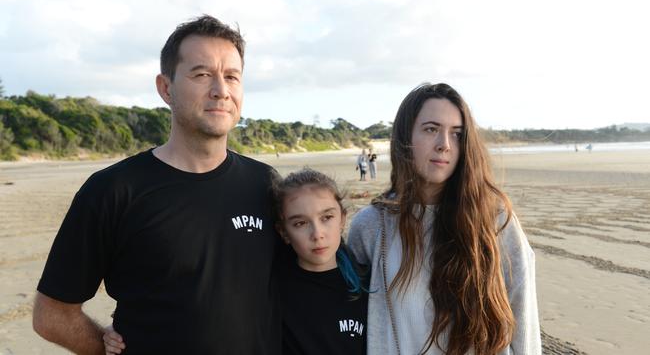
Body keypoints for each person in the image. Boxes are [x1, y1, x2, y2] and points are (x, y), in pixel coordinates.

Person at [32, 15, 281, 354]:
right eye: (202, 74)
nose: (221, 90)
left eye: (232, 77)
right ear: (166, 88)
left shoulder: (266, 184)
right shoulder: (113, 190)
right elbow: (52, 315)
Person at [347, 83, 541, 355]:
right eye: (431, 129)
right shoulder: (372, 225)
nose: (445, 145)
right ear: (405, 137)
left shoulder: (493, 218)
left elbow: (523, 312)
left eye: (457, 134)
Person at [104, 168, 368, 355]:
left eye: (327, 217)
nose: (317, 233)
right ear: (283, 232)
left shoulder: (370, 285)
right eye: (300, 223)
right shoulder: (267, 282)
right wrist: (123, 327)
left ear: (343, 218)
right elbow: (194, 305)